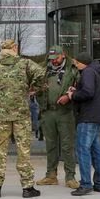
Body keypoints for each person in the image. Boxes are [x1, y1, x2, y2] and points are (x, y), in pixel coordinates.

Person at [0, 39, 46, 198]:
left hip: (2, 116)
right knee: (24, 151)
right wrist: (34, 87)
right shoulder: (25, 63)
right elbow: (42, 73)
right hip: (21, 116)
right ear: (14, 48)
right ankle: (27, 188)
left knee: (0, 151)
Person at [37, 48, 79, 189]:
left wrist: (69, 96)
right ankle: (51, 175)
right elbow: (33, 84)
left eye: (56, 57)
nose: (53, 60)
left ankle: (70, 177)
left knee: (67, 145)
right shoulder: (43, 69)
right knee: (50, 145)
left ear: (63, 55)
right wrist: (37, 89)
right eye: (51, 58)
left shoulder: (72, 69)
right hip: (47, 111)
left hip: (64, 112)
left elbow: (81, 86)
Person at [68, 51, 100, 196]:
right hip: (96, 117)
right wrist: (77, 89)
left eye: (76, 62)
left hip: (87, 118)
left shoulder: (88, 72)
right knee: (96, 152)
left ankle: (85, 184)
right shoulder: (95, 72)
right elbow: (89, 90)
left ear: (81, 62)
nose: (75, 65)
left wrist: (73, 95)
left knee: (82, 150)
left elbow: (88, 92)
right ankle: (99, 184)